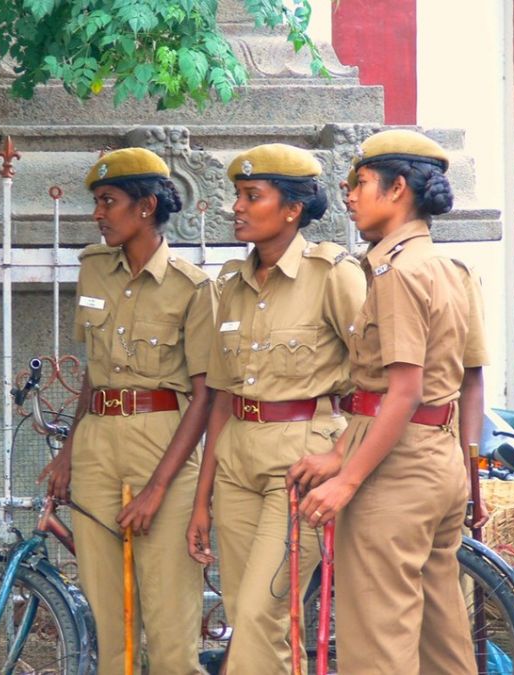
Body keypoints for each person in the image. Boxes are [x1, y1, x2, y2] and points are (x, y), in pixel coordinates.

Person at [288, 129, 489, 673]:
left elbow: (401, 392)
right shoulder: (447, 268)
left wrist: (347, 479)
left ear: (397, 187)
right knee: (441, 640)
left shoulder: (396, 272)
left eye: (360, 183)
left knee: (377, 644)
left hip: (396, 473)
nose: (348, 194)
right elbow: (463, 381)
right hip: (436, 460)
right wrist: (337, 456)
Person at [185, 143, 366, 674]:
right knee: (252, 615)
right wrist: (202, 499)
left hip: (301, 458)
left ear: (291, 209)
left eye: (251, 196)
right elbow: (221, 396)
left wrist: (341, 456)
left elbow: (379, 378)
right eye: (236, 195)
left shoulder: (333, 274)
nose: (235, 207)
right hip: (236, 456)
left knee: (264, 612)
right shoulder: (229, 284)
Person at [38, 147, 214, 674]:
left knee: (169, 630)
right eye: (97, 202)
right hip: (97, 444)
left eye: (108, 201)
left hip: (164, 444)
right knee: (111, 629)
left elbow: (206, 396)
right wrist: (69, 451)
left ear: (146, 207)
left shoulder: (193, 287)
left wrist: (158, 487)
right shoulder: (94, 269)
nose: (97, 214)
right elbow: (94, 371)